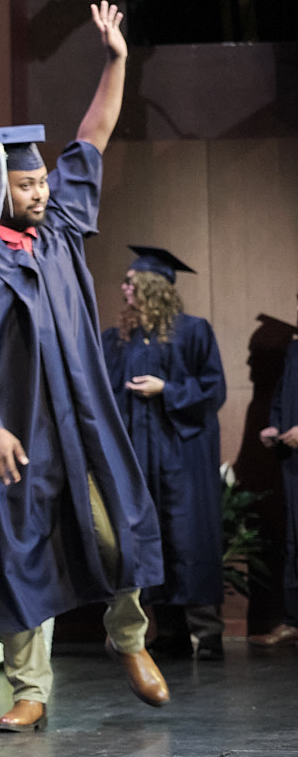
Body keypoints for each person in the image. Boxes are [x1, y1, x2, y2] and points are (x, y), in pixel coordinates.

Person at [0, 1, 170, 735]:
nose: (42, 193)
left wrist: (116, 59)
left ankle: (130, 639)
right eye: (28, 185)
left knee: (117, 529)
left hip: (84, 417)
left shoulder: (59, 230)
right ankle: (31, 688)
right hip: (22, 429)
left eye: (43, 184)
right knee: (24, 552)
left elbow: (92, 136)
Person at [101, 246, 227, 660]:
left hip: (182, 456)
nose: (124, 288)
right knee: (151, 541)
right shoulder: (117, 340)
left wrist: (166, 389)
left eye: (131, 282)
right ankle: (170, 633)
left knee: (188, 540)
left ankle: (208, 634)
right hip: (138, 456)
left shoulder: (194, 332)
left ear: (153, 286)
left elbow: (213, 390)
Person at [254, 303, 298, 649]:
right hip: (292, 457)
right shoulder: (295, 349)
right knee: (294, 539)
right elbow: (284, 394)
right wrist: (275, 424)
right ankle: (293, 620)